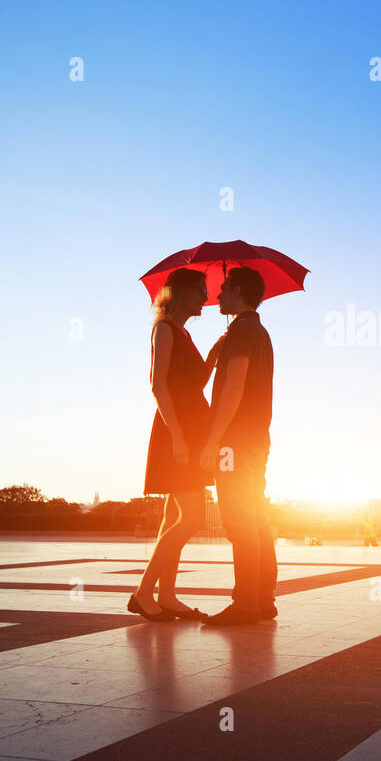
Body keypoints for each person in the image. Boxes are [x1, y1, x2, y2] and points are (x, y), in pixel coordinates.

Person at [131, 268, 218, 622]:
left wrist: (213, 353)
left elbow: (194, 381)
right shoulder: (164, 329)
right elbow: (157, 385)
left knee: (173, 517)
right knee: (193, 516)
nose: (205, 297)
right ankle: (142, 592)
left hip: (189, 430)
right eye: (199, 290)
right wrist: (179, 436)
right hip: (176, 432)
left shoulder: (181, 332)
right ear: (180, 293)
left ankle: (166, 595)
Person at [199, 267, 277, 625]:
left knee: (238, 517)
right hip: (256, 439)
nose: (217, 295)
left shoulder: (241, 331)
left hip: (234, 441)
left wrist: (213, 440)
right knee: (256, 515)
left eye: (224, 288)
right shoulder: (258, 331)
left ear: (238, 290)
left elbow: (233, 388)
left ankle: (245, 602)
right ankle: (261, 598)